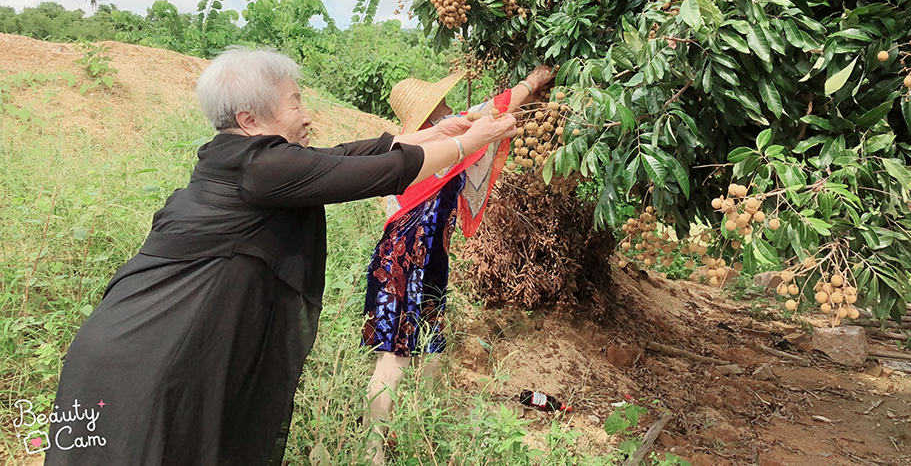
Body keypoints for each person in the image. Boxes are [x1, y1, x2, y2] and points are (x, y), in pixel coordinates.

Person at [44, 48, 517, 466]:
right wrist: (466, 145)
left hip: (130, 346)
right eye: (295, 102)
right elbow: (379, 173)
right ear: (250, 119)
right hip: (147, 359)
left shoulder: (242, 159)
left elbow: (350, 155)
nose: (306, 114)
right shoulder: (263, 168)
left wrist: (438, 135)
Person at [361, 66, 555, 464]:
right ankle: (371, 450)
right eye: (444, 102)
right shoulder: (443, 136)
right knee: (395, 355)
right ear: (433, 113)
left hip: (425, 258)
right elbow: (494, 109)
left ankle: (418, 428)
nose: (452, 106)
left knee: (429, 345)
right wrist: (533, 81)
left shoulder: (419, 146)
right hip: (408, 260)